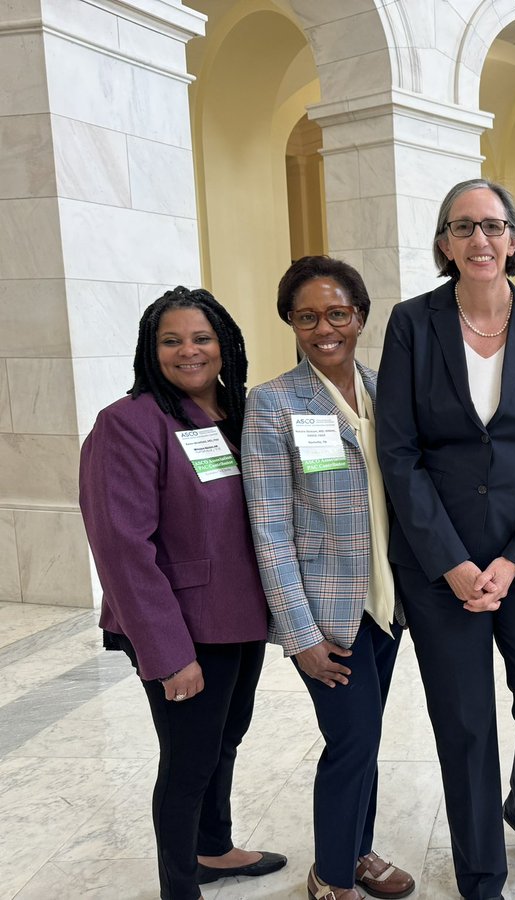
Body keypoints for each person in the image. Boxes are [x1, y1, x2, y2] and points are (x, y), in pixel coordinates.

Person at [376, 178, 515, 900]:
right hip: (439, 565)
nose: (480, 240)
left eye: (493, 226)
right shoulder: (412, 323)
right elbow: (398, 453)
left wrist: (511, 558)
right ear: (444, 244)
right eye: (463, 227)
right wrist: (455, 565)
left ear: (514, 240)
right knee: (465, 724)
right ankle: (480, 874)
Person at [79, 287, 286, 900]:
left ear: (224, 345)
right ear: (151, 349)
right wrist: (169, 654)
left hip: (240, 616)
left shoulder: (236, 412)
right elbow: (122, 547)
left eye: (201, 338)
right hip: (183, 628)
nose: (188, 351)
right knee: (189, 760)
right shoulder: (130, 422)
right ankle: (180, 885)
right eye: (171, 340)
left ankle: (214, 848)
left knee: (225, 739)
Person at [241, 256, 415, 900]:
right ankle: (333, 876)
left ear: (360, 317)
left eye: (336, 314)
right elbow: (269, 528)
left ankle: (357, 850)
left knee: (365, 737)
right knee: (352, 738)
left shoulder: (387, 390)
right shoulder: (274, 403)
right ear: (290, 321)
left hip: (387, 605)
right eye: (306, 316)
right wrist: (299, 633)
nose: (324, 328)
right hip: (325, 613)